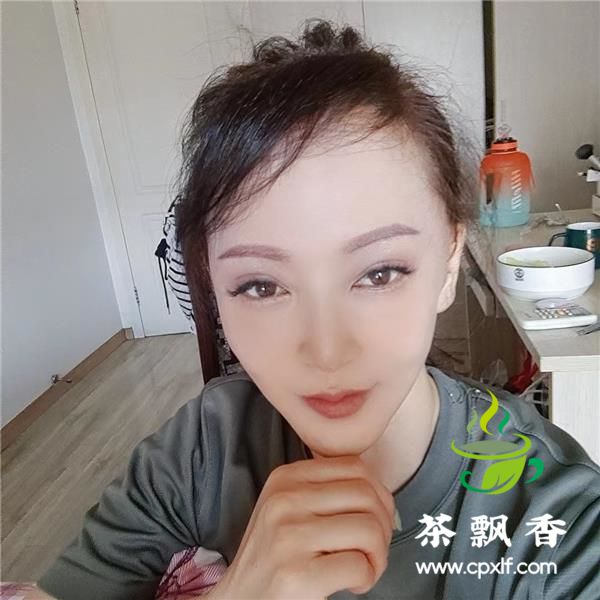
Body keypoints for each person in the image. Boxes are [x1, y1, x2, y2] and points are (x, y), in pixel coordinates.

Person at [35, 20, 599, 600]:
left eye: (380, 273)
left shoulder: (558, 522)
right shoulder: (203, 449)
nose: (327, 352)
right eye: (261, 286)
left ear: (450, 262)